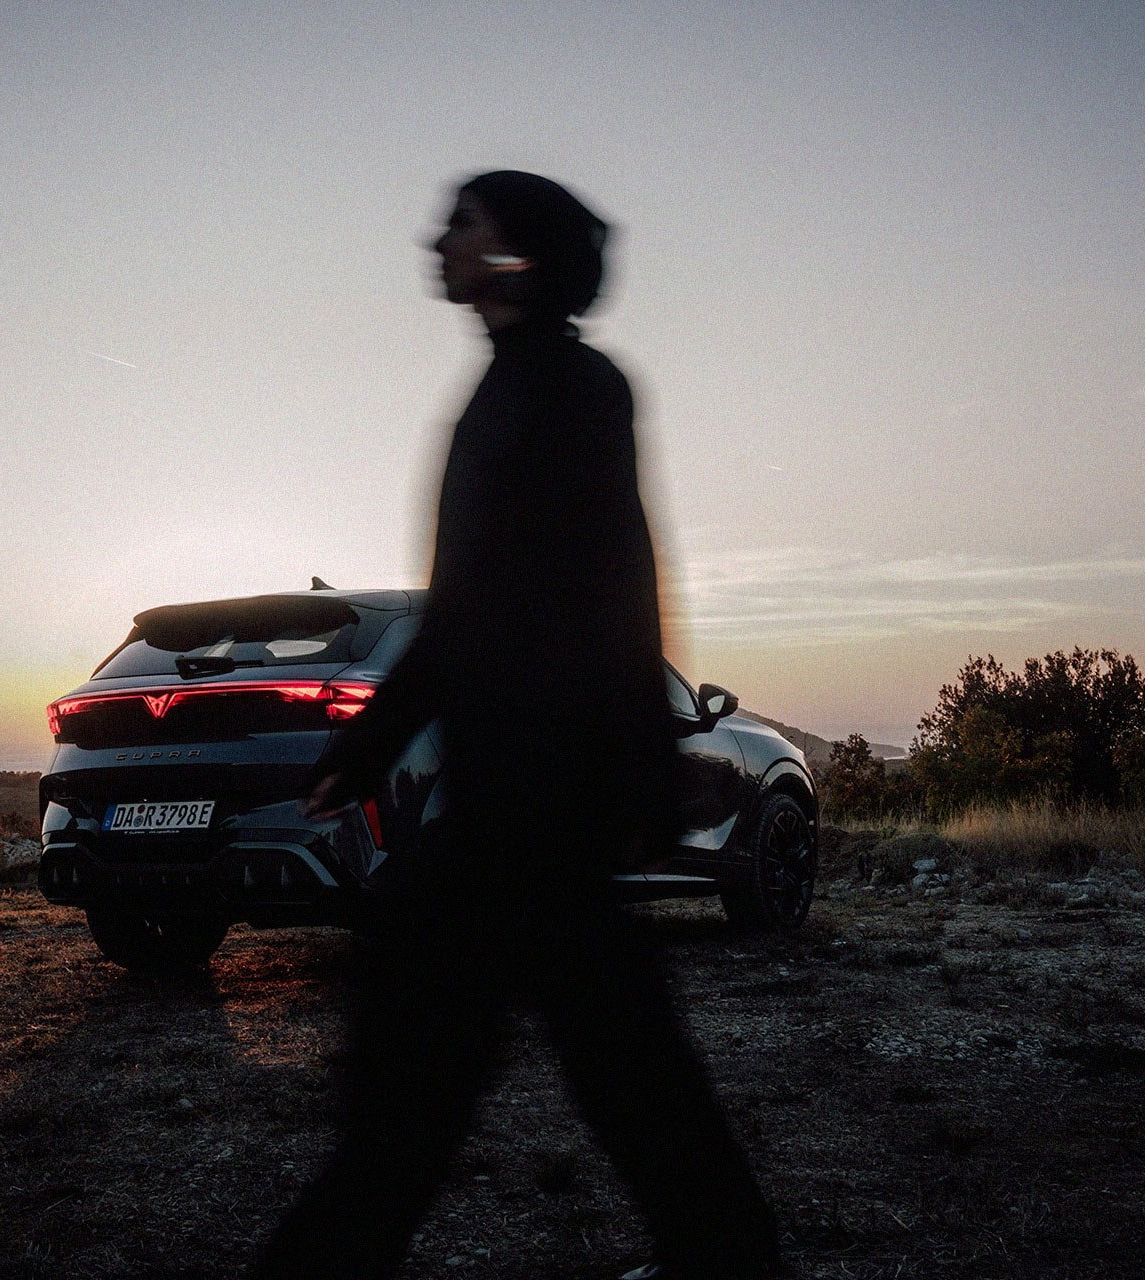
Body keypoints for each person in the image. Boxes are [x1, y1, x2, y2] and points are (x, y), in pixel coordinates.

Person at [247, 171, 780, 1280]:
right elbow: (462, 610)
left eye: (462, 221)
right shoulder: (497, 389)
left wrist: (641, 760)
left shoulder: (577, 386)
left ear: (514, 254)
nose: (435, 237)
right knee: (603, 1048)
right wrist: (370, 740)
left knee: (452, 1072)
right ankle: (721, 1249)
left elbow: (623, 575)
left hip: (545, 790)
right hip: (508, 791)